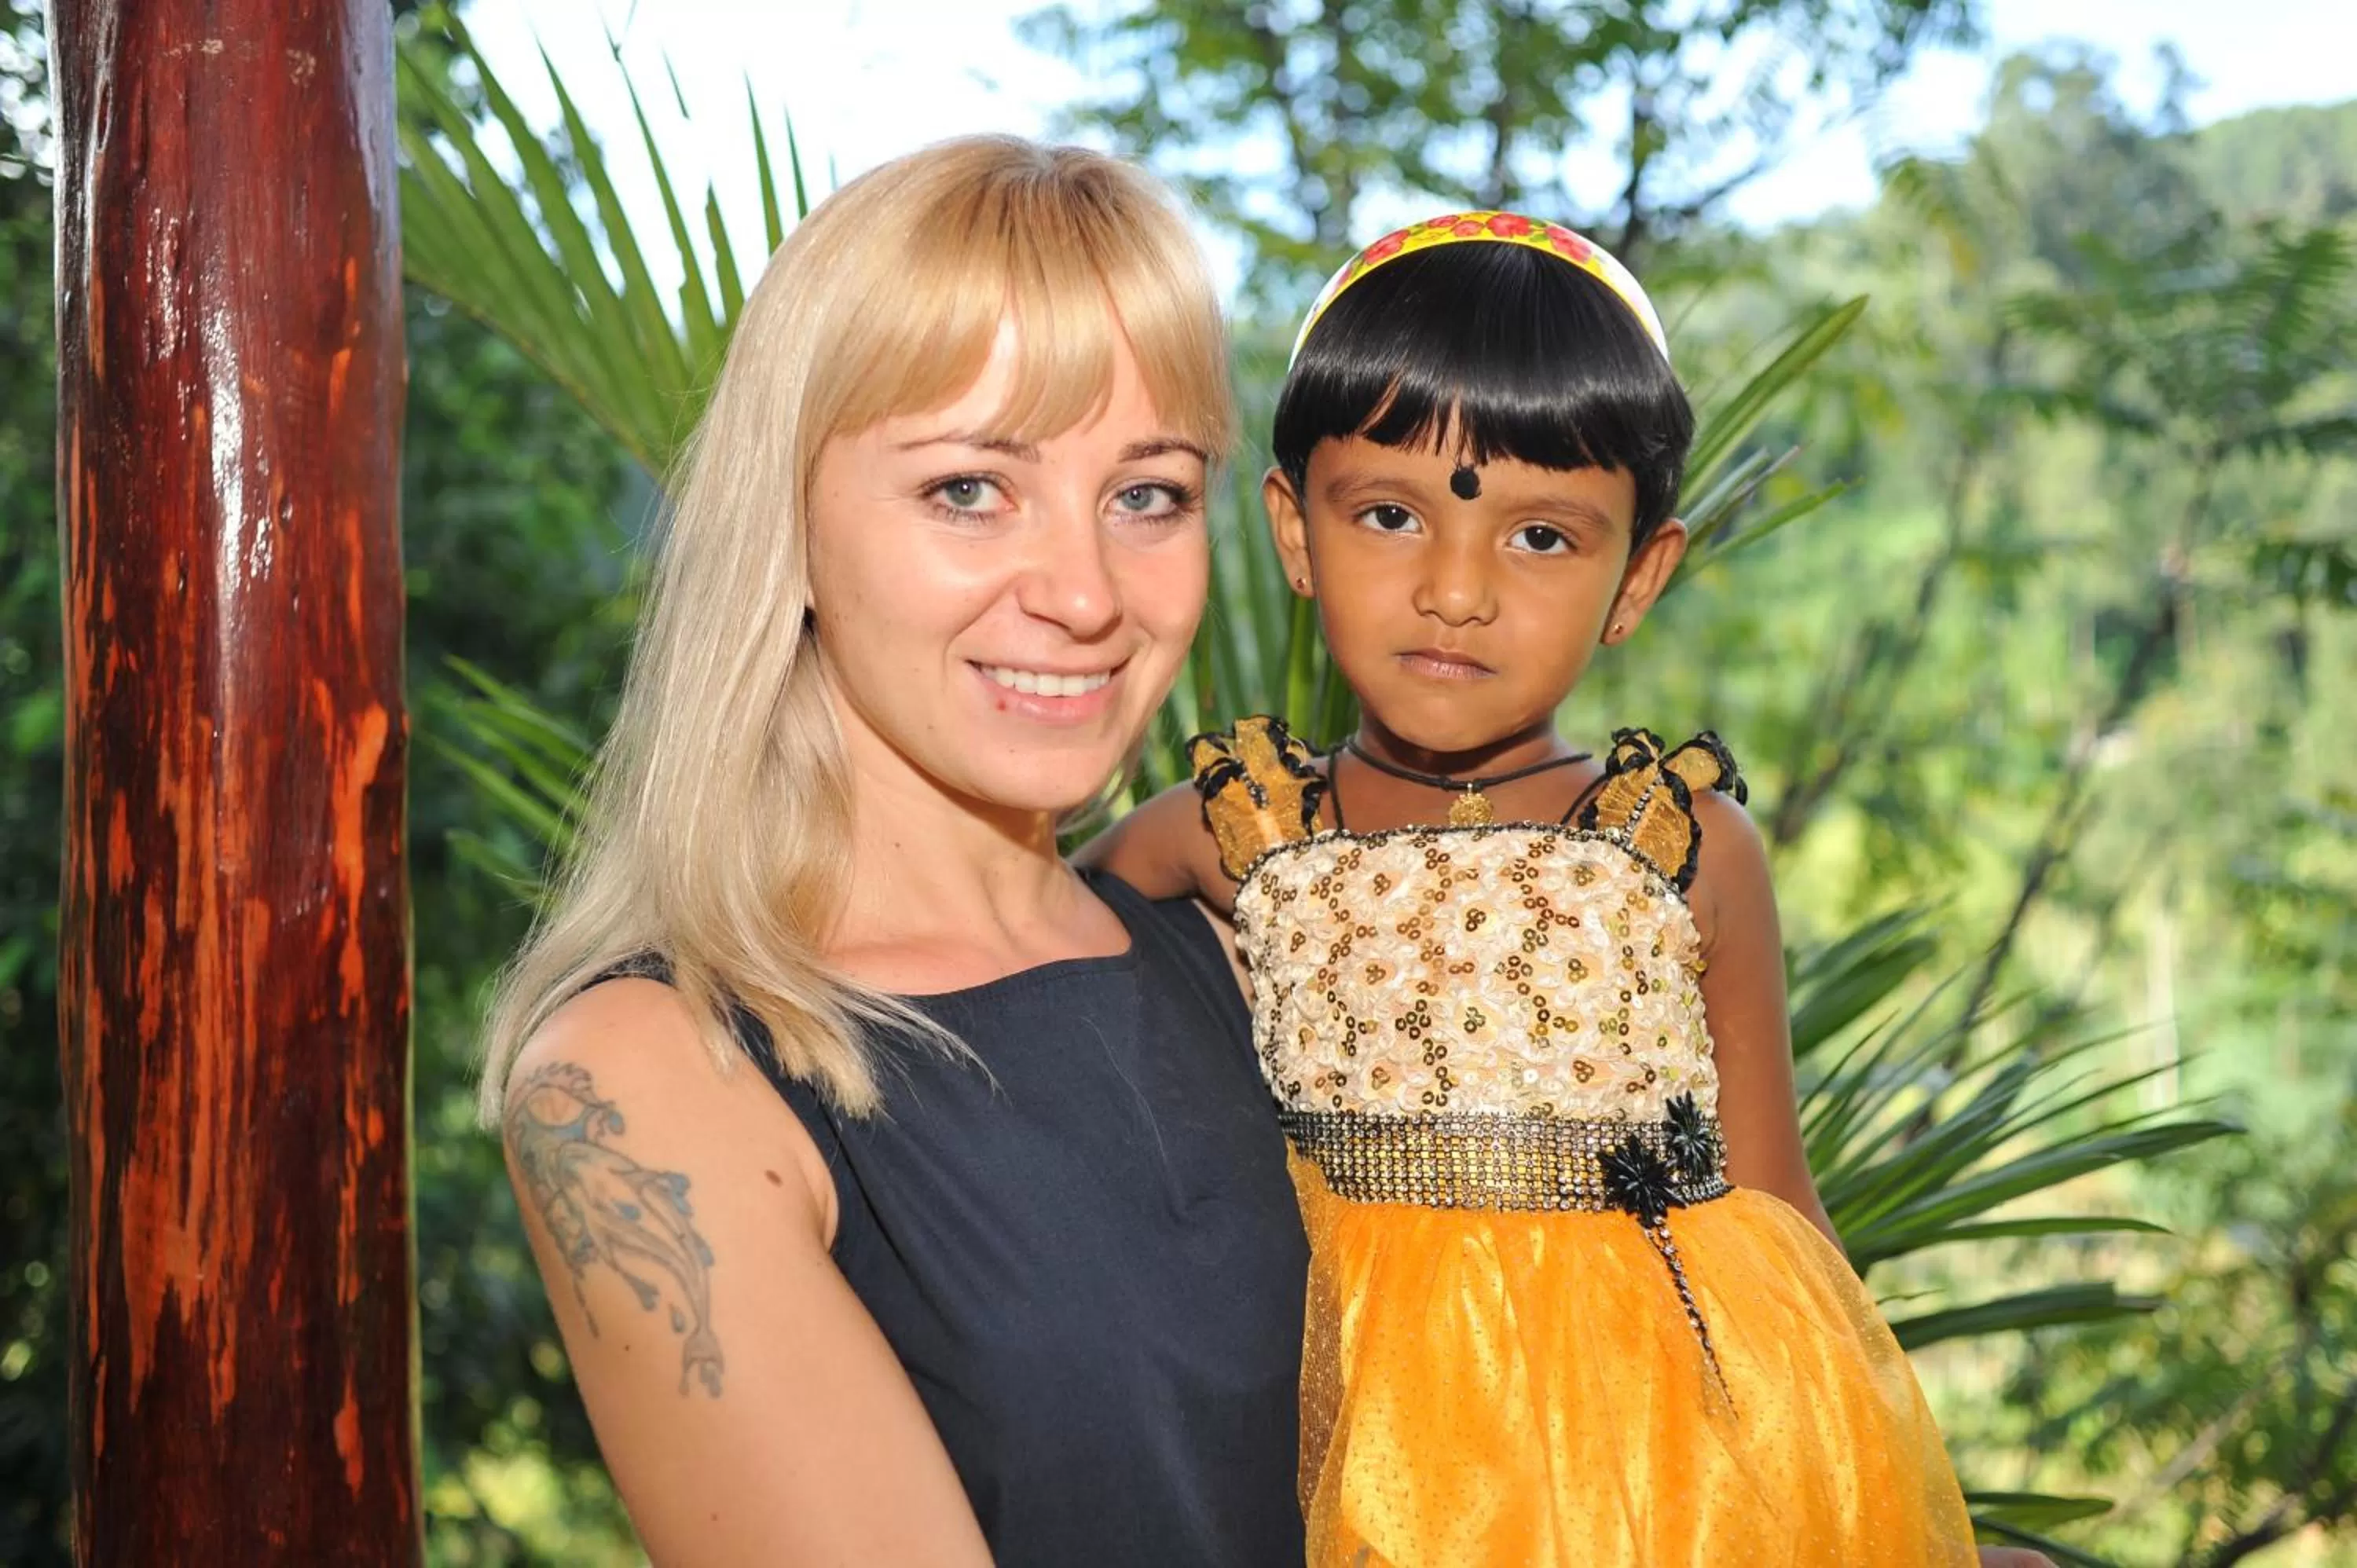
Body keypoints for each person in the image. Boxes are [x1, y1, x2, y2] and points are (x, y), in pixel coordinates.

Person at [1083, 212, 2022, 1566]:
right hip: (1334, 1429)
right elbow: (1012, 934)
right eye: (1389, 515)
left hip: (1651, 1468)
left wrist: (1883, 1503)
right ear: (1295, 532)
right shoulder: (1241, 830)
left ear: (1639, 574)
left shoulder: (1678, 845)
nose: (1454, 591)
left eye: (1541, 539)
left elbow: (1774, 1204)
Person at [482, 137, 1307, 1566]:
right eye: (971, 490)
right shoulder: (645, 1078)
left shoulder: (1253, 949)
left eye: (1148, 494)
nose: (1083, 593)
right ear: (791, 525)